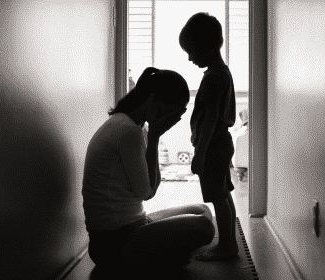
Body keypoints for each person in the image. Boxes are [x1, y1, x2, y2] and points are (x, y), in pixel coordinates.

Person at [82, 67, 215, 279]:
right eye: (174, 110)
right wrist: (154, 137)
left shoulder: (132, 125)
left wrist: (153, 135)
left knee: (202, 210)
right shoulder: (128, 131)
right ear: (154, 100)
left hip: (135, 224)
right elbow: (147, 192)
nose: (175, 118)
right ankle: (155, 259)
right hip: (113, 244)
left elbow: (149, 187)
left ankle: (157, 254)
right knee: (205, 227)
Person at [179, 12, 238, 261]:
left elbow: (211, 118)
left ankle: (225, 246)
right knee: (223, 194)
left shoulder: (214, 78)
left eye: (192, 51)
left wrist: (200, 153)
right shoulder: (221, 72)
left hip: (213, 145)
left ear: (206, 47)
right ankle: (229, 243)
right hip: (221, 143)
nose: (190, 58)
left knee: (217, 196)